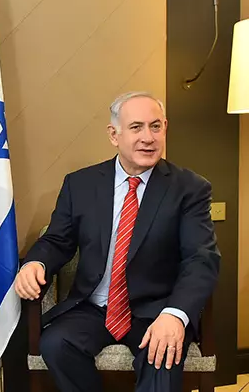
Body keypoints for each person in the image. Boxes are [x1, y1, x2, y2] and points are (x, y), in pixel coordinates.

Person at [14, 91, 220, 392]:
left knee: (162, 355)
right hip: (94, 308)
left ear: (165, 128)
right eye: (136, 127)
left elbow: (201, 260)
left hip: (157, 309)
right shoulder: (80, 184)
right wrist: (36, 263)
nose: (148, 137)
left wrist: (175, 315)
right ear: (114, 135)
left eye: (155, 126)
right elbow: (58, 240)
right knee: (56, 343)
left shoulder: (189, 189)